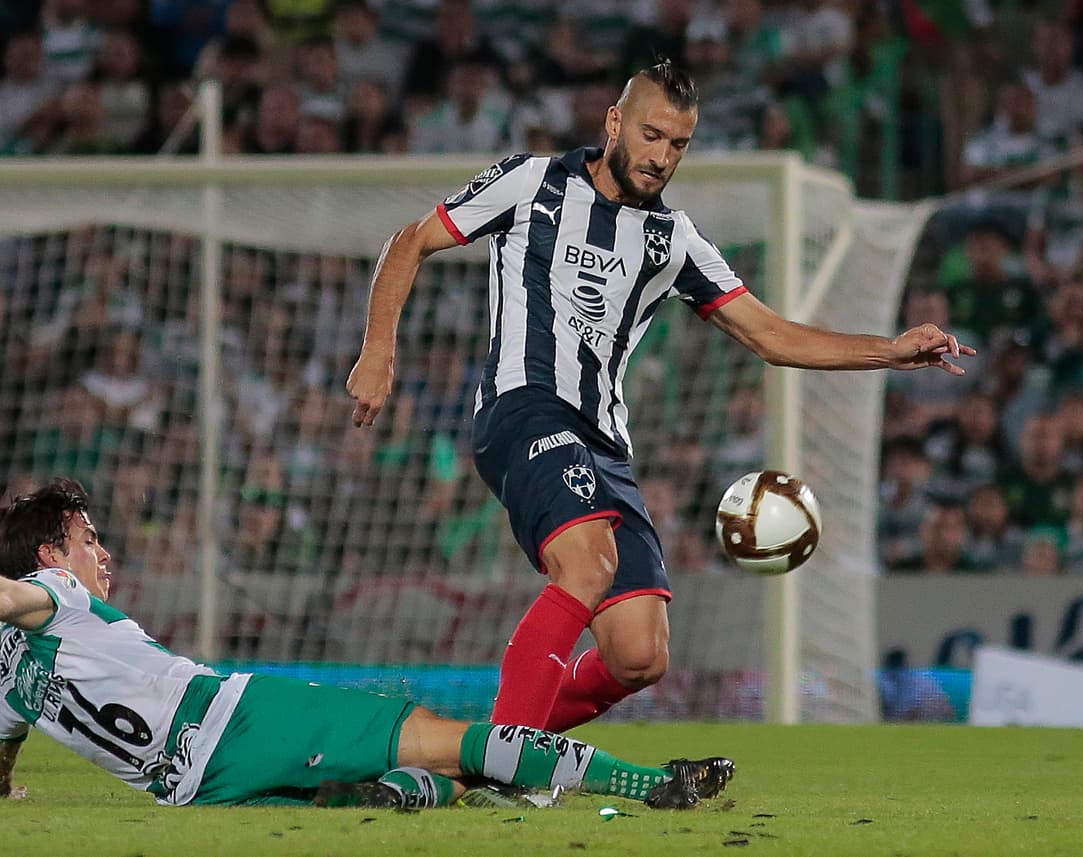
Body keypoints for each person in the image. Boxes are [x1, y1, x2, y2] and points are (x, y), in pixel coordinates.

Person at [346, 59, 976, 732]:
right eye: (651, 135)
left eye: (678, 144)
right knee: (587, 565)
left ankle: (469, 747)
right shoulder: (532, 182)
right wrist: (379, 349)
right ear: (615, 121)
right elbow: (410, 242)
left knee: (639, 654)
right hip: (521, 405)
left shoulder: (673, 239)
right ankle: (506, 761)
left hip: (604, 442)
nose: (662, 157)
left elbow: (769, 334)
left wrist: (891, 350)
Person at [0, 478, 734, 809]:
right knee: (455, 737)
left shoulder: (12, 680)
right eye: (87, 538)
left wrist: (4, 797)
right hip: (237, 714)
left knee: (403, 781)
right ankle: (653, 783)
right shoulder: (58, 595)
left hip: (194, 790)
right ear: (51, 557)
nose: (100, 554)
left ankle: (396, 794)